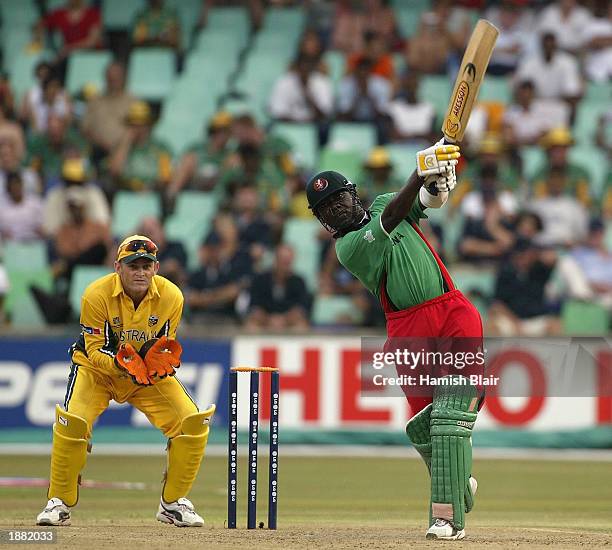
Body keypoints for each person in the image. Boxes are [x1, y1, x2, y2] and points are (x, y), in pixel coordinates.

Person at [306, 140, 481, 540]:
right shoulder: (348, 248)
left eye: (339, 199)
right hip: (408, 331)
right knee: (424, 428)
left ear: (353, 194)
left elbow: (426, 202)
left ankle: (446, 519)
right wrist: (421, 169)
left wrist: (437, 181)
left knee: (450, 417)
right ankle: (459, 486)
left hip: (451, 311)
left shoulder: (387, 199)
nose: (335, 209)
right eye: (326, 209)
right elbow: (396, 213)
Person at [35, 235, 215, 527]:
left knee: (192, 422)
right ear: (118, 267)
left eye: (146, 265)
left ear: (156, 268)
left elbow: (165, 344)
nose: (140, 272)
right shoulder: (95, 295)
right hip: (96, 372)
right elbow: (94, 350)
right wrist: (122, 364)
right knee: (74, 423)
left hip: (142, 374)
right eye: (133, 266)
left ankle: (172, 504)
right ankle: (58, 502)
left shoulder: (172, 297)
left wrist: (155, 364)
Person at [245, 244, 310, 332]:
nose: (285, 265)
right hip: (265, 322)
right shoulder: (260, 280)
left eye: (288, 262)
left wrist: (284, 320)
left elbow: (301, 309)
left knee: (301, 326)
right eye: (283, 261)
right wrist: (269, 320)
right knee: (251, 325)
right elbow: (254, 307)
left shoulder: (299, 282)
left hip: (289, 322)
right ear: (275, 260)